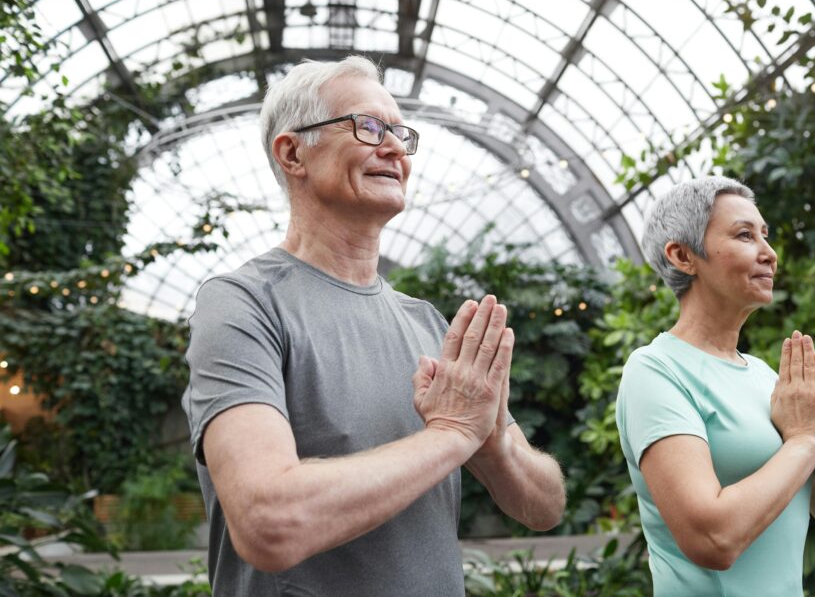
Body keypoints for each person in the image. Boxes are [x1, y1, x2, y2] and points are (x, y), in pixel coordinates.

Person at [182, 56, 566, 596]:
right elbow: (268, 522)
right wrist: (451, 435)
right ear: (293, 153)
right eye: (367, 127)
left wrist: (491, 440)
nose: (393, 148)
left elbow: (544, 507)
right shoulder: (243, 304)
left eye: (399, 133)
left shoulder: (429, 326)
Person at [615, 176, 815, 596]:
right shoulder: (655, 370)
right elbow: (712, 540)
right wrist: (805, 441)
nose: (769, 254)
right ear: (683, 256)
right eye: (744, 235)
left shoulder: (766, 377)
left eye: (765, 236)